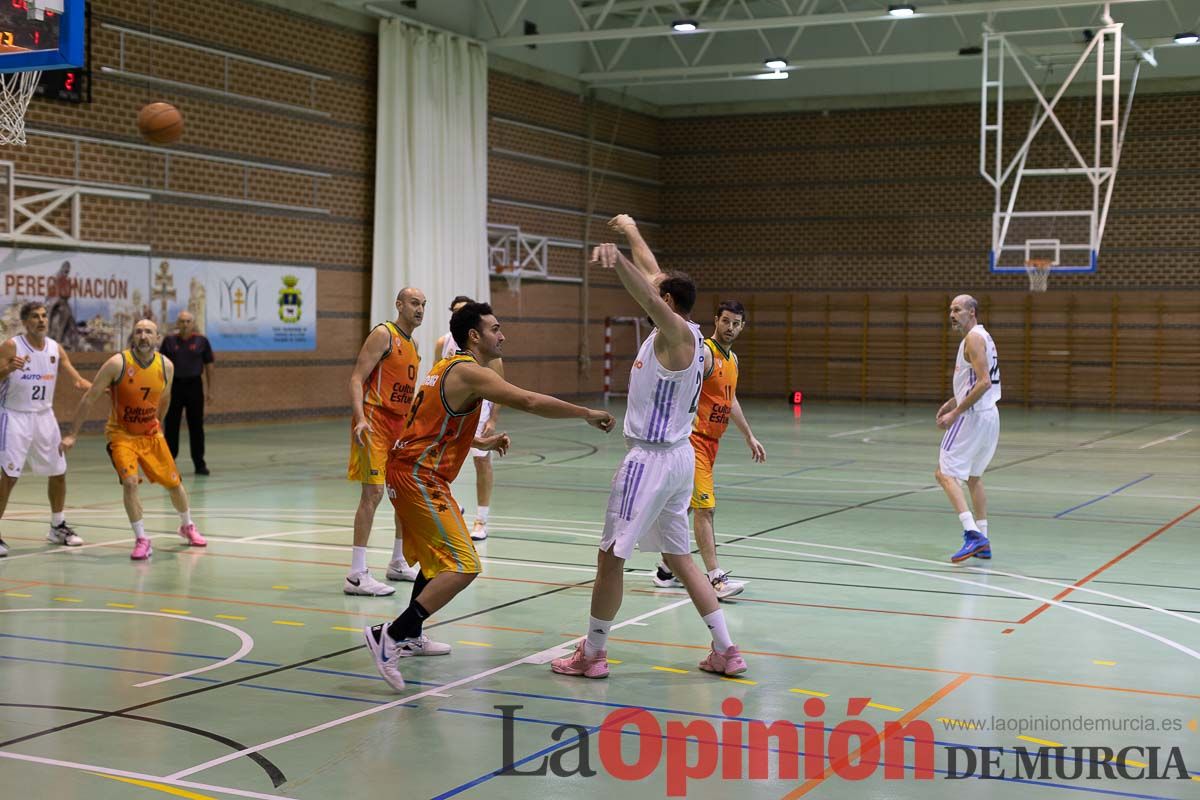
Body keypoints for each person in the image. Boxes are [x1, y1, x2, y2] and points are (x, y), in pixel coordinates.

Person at [364, 301, 615, 691]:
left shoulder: (445, 368)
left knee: (434, 562)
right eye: (496, 328)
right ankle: (393, 635)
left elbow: (432, 423)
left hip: (415, 471)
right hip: (418, 476)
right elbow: (528, 400)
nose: (503, 335)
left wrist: (480, 438)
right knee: (464, 565)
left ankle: (410, 635)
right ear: (475, 336)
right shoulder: (467, 371)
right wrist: (585, 412)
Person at [552, 215, 748, 680]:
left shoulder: (677, 336)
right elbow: (653, 272)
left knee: (610, 558)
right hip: (680, 459)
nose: (649, 280)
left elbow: (644, 287)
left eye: (655, 288)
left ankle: (593, 654)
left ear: (666, 302)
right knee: (679, 559)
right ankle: (726, 650)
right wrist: (632, 230)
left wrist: (616, 257)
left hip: (651, 459)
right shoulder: (686, 333)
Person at [62, 319, 206, 561]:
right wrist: (72, 433)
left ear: (157, 337)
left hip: (150, 434)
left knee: (174, 484)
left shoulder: (166, 366)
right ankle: (141, 538)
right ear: (133, 337)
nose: (143, 336)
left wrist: (158, 422)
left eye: (148, 331)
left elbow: (165, 398)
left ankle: (187, 525)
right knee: (130, 482)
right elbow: (89, 398)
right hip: (121, 434)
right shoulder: (117, 363)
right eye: (138, 331)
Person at [651, 299, 765, 599]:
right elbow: (679, 385)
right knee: (706, 508)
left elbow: (730, 401)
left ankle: (665, 570)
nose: (730, 327)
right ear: (716, 320)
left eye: (736, 323)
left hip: (712, 444)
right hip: (693, 440)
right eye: (725, 321)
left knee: (686, 505)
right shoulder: (705, 354)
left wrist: (748, 436)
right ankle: (716, 578)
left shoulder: (733, 360)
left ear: (743, 326)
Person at [344, 287, 426, 596]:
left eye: (424, 305)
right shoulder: (383, 334)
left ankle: (398, 561)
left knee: (402, 492)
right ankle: (355, 574)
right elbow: (355, 378)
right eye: (414, 303)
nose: (419, 309)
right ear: (399, 305)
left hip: (399, 428)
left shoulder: (413, 343)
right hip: (373, 423)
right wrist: (361, 417)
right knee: (373, 493)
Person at [0, 302, 91, 557]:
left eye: (43, 316)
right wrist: (8, 368)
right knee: (8, 477)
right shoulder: (11, 346)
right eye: (35, 317)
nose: (41, 320)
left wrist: (98, 388)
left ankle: (57, 526)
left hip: (44, 416)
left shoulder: (55, 348)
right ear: (25, 322)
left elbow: (76, 379)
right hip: (14, 416)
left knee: (59, 470)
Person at [934, 294, 1001, 563]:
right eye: (950, 309)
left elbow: (983, 382)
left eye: (957, 309)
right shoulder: (984, 337)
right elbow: (979, 381)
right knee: (973, 477)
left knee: (944, 474)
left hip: (972, 417)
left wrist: (956, 412)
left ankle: (973, 535)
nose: (952, 314)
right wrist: (953, 400)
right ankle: (983, 540)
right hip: (989, 415)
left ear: (972, 312)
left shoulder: (972, 338)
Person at [434, 295, 504, 541]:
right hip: (452, 415)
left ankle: (481, 520)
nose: (458, 314)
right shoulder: (443, 342)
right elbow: (437, 379)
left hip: (479, 414)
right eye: (455, 311)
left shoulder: (487, 348)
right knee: (440, 463)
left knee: (482, 463)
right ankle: (449, 504)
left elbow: (502, 387)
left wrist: (492, 420)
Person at [159, 310, 215, 475]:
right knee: (171, 426)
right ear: (177, 324)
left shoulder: (202, 341)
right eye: (182, 321)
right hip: (173, 387)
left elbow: (209, 366)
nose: (185, 324)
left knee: (196, 426)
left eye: (188, 321)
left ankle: (199, 463)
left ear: (193, 323)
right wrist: (161, 390)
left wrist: (210, 390)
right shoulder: (169, 341)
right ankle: (169, 463)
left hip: (194, 386)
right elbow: (160, 366)